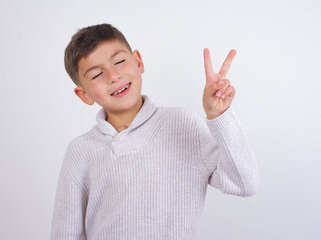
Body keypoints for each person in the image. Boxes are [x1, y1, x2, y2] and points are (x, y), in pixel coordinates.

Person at [51, 23, 260, 240]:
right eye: (96, 75)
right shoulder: (80, 151)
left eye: (120, 61)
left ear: (138, 61)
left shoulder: (182, 124)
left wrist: (220, 116)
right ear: (83, 94)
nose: (113, 76)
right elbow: (65, 234)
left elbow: (245, 183)